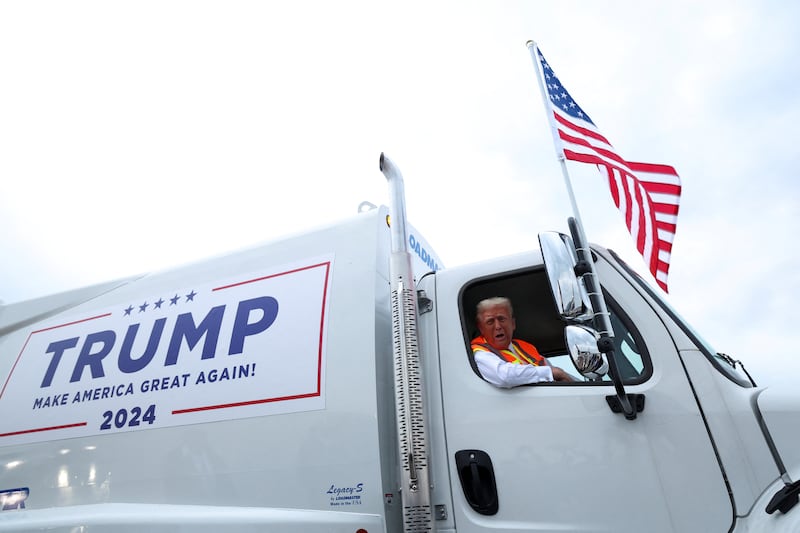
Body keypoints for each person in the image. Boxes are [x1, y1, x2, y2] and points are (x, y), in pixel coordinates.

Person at [471, 296, 573, 388]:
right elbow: (504, 376)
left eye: (501, 319)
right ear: (481, 329)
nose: (498, 326)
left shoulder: (526, 348)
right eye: (490, 322)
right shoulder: (480, 353)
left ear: (513, 324)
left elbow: (560, 374)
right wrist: (549, 372)